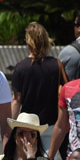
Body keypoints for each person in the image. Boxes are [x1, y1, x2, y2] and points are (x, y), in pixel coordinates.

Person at [9, 21, 64, 152]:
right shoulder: (56, 65)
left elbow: (17, 100)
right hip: (51, 124)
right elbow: (62, 93)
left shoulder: (20, 68)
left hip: (28, 124)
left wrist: (11, 125)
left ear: (28, 42)